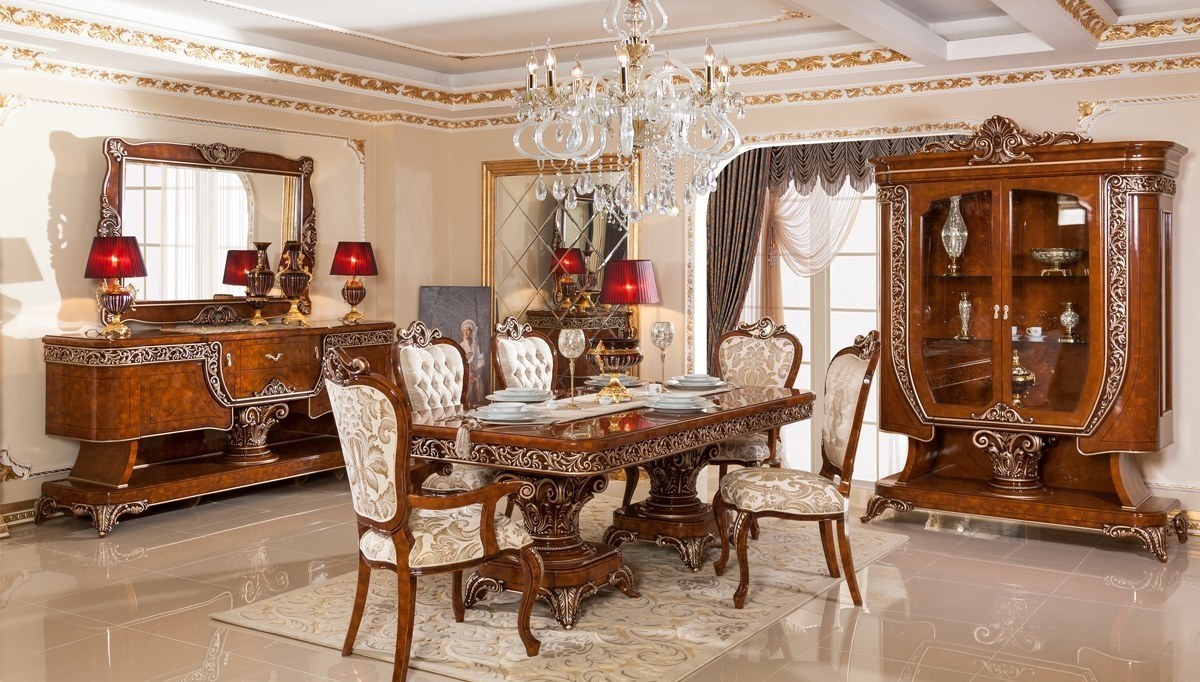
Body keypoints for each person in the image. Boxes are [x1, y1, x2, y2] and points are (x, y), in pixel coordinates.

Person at [459, 318, 486, 404]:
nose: (466, 333)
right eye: (464, 331)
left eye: (468, 330)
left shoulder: (476, 345)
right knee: (467, 396)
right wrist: (469, 373)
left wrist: (477, 372)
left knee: (479, 394)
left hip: (477, 374)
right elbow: (460, 362)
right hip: (467, 374)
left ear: (471, 332)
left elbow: (480, 359)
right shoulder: (461, 346)